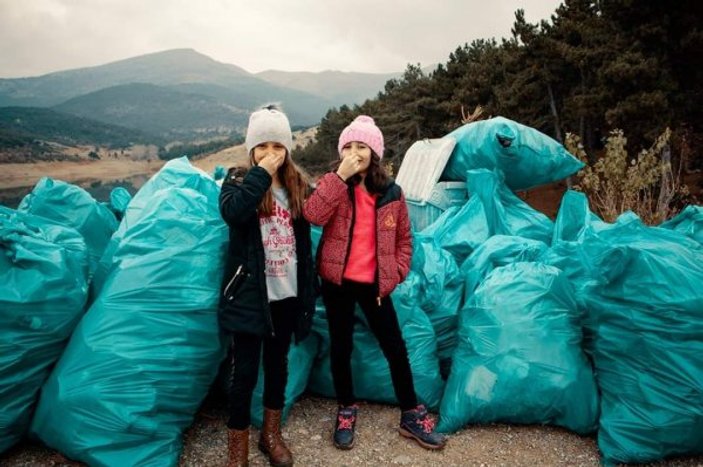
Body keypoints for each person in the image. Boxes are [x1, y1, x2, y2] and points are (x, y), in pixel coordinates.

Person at [303, 115, 447, 451]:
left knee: (395, 349)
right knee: (341, 348)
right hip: (337, 283)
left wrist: (394, 273)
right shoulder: (335, 184)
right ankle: (346, 407)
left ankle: (411, 414)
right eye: (348, 146)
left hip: (374, 287)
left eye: (361, 146)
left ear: (374, 152)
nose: (355, 152)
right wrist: (338, 177)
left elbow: (405, 240)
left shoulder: (392, 193)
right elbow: (312, 215)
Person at [218, 105, 316, 467]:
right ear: (251, 150)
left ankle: (270, 435)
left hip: (286, 295)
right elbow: (234, 213)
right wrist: (260, 173)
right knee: (243, 374)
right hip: (249, 297)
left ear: (288, 149)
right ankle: (237, 453)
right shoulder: (237, 183)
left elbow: (319, 216)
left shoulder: (298, 187)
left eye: (278, 146)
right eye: (263, 146)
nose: (271, 154)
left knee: (278, 368)